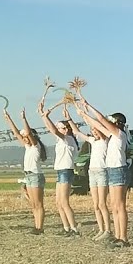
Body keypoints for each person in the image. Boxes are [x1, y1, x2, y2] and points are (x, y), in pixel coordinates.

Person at [78, 96, 130, 247]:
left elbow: (100, 119)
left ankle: (124, 238)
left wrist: (88, 107)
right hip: (112, 170)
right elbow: (97, 124)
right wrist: (84, 114)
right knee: (114, 205)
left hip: (119, 170)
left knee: (119, 205)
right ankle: (118, 236)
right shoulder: (112, 136)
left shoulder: (119, 134)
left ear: (117, 123)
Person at [39, 100, 80, 236]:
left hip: (66, 171)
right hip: (61, 171)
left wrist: (46, 117)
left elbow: (53, 130)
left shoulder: (68, 139)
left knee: (64, 201)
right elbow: (52, 129)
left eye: (61, 127)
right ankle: (66, 228)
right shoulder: (63, 139)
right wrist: (43, 116)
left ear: (66, 129)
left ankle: (74, 228)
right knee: (58, 202)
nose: (58, 129)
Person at [3, 109, 46, 235]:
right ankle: (37, 226)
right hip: (29, 175)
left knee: (38, 204)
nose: (25, 138)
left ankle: (40, 227)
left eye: (27, 137)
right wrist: (8, 119)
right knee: (33, 204)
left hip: (35, 175)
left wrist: (23, 119)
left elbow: (27, 133)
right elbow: (16, 133)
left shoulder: (35, 146)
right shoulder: (27, 147)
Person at [72, 105, 111, 241]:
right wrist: (70, 119)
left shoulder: (106, 141)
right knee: (95, 205)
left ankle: (108, 230)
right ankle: (101, 229)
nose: (94, 132)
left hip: (102, 172)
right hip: (92, 173)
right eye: (92, 131)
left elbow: (99, 126)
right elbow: (77, 132)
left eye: (95, 130)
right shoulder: (93, 141)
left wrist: (85, 114)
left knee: (102, 204)